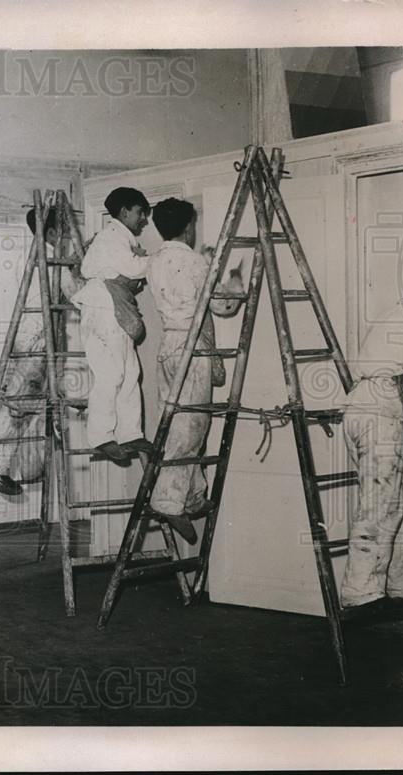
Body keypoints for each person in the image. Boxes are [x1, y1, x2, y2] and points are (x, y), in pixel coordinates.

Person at [146, 198, 244, 544]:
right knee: (192, 426)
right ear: (189, 227)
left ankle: (192, 495)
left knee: (177, 422)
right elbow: (223, 305)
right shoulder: (194, 261)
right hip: (191, 348)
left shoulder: (155, 259)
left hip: (169, 347)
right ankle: (169, 501)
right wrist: (234, 277)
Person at [0, 206, 86, 495]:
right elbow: (78, 296)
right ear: (51, 232)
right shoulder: (52, 261)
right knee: (19, 409)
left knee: (16, 404)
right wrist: (81, 270)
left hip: (23, 338)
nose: (65, 236)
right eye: (62, 230)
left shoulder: (27, 256)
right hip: (37, 341)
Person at [337, 269, 403, 618]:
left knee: (401, 501)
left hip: (367, 408)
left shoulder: (402, 312)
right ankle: (361, 594)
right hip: (379, 414)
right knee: (381, 506)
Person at [71, 187, 153, 464]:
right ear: (125, 211)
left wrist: (139, 261)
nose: (143, 219)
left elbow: (127, 270)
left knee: (129, 371)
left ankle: (130, 433)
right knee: (113, 374)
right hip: (104, 308)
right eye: (140, 212)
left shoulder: (117, 239)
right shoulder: (111, 238)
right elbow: (132, 269)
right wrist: (155, 259)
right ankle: (102, 437)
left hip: (107, 308)